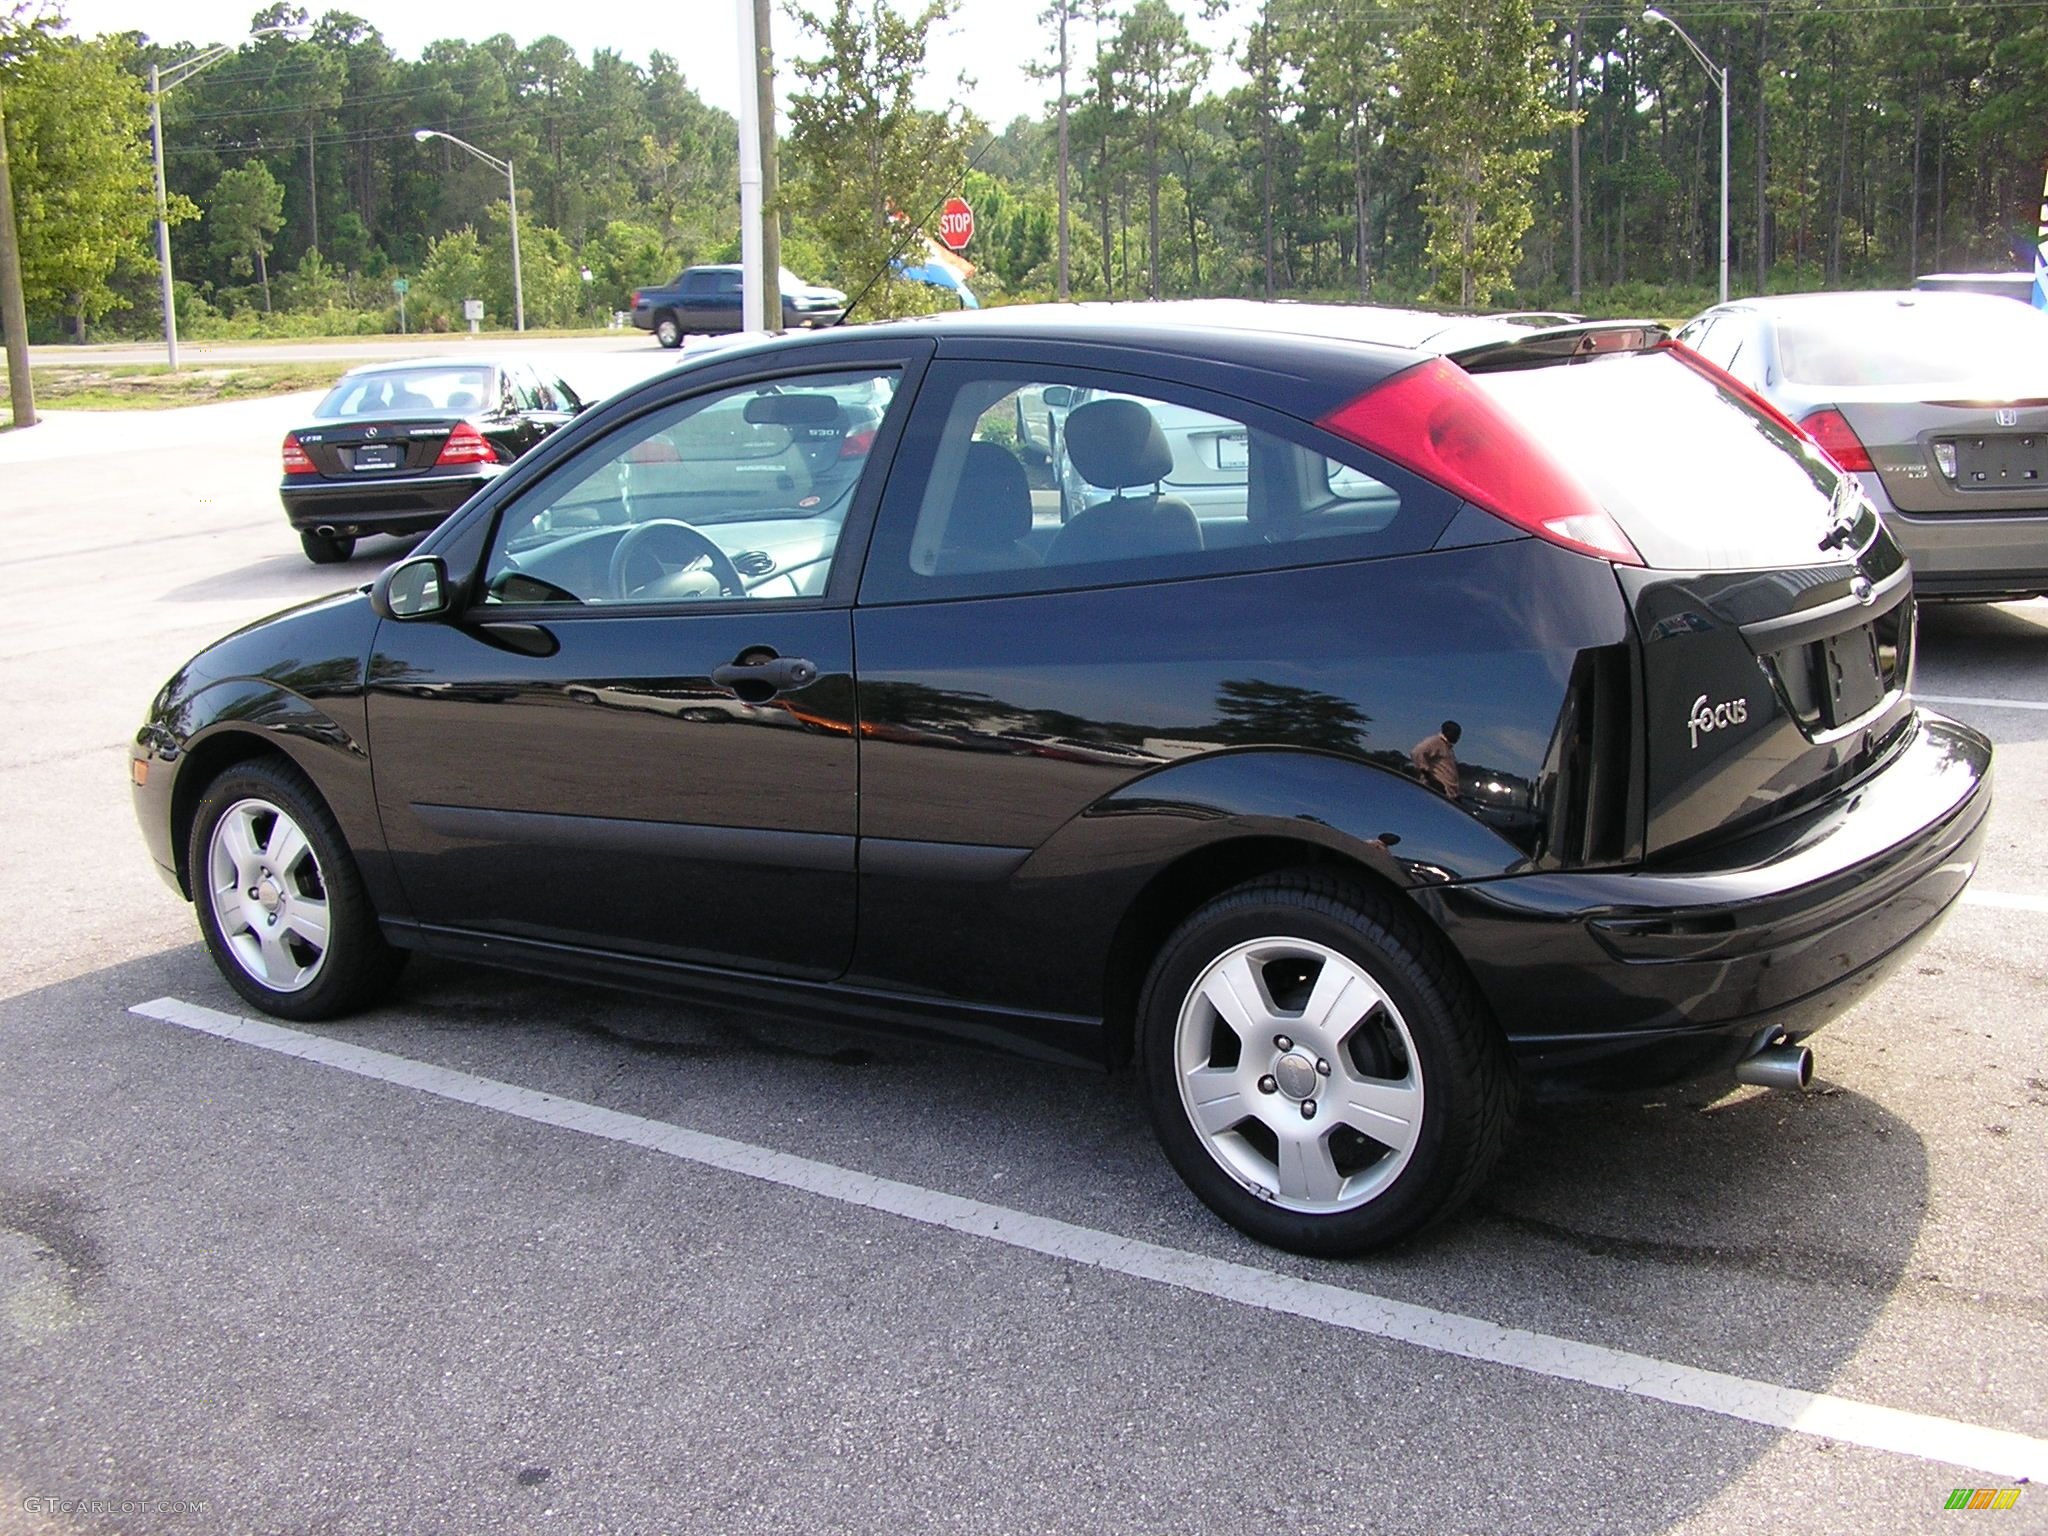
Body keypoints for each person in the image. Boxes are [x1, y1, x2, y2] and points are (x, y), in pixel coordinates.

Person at [1411, 719, 1462, 800]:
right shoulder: (1435, 742)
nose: (1458, 737)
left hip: (1449, 794)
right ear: (1446, 731)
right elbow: (1417, 752)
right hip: (1436, 791)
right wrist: (1429, 777)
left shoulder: (1448, 748)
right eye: (1456, 734)